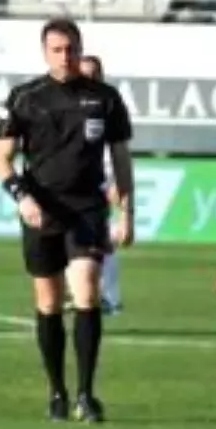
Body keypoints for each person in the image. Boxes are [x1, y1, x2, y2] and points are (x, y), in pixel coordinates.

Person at [0, 19, 135, 423]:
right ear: (45, 52)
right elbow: (1, 160)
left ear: (79, 47)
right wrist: (22, 197)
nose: (65, 56)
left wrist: (127, 212)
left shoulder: (105, 99)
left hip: (87, 208)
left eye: (71, 48)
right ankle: (57, 391)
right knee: (49, 302)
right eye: (57, 49)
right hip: (42, 210)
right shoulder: (25, 97)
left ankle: (87, 395)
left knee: (86, 292)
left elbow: (121, 160)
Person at [65, 54, 125, 316]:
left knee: (100, 242)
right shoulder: (67, 107)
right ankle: (87, 294)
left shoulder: (108, 107)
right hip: (70, 187)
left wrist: (115, 186)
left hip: (98, 184)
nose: (89, 80)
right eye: (84, 74)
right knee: (68, 242)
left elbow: (118, 151)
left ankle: (109, 298)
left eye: (94, 75)